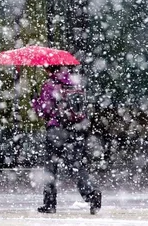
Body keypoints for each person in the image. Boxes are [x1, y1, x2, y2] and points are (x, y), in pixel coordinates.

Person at [32, 66, 102, 215]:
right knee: (75, 165)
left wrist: (35, 101)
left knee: (50, 168)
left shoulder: (50, 85)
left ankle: (49, 204)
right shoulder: (75, 83)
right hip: (75, 129)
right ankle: (91, 193)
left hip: (56, 130)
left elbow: (43, 111)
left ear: (48, 69)